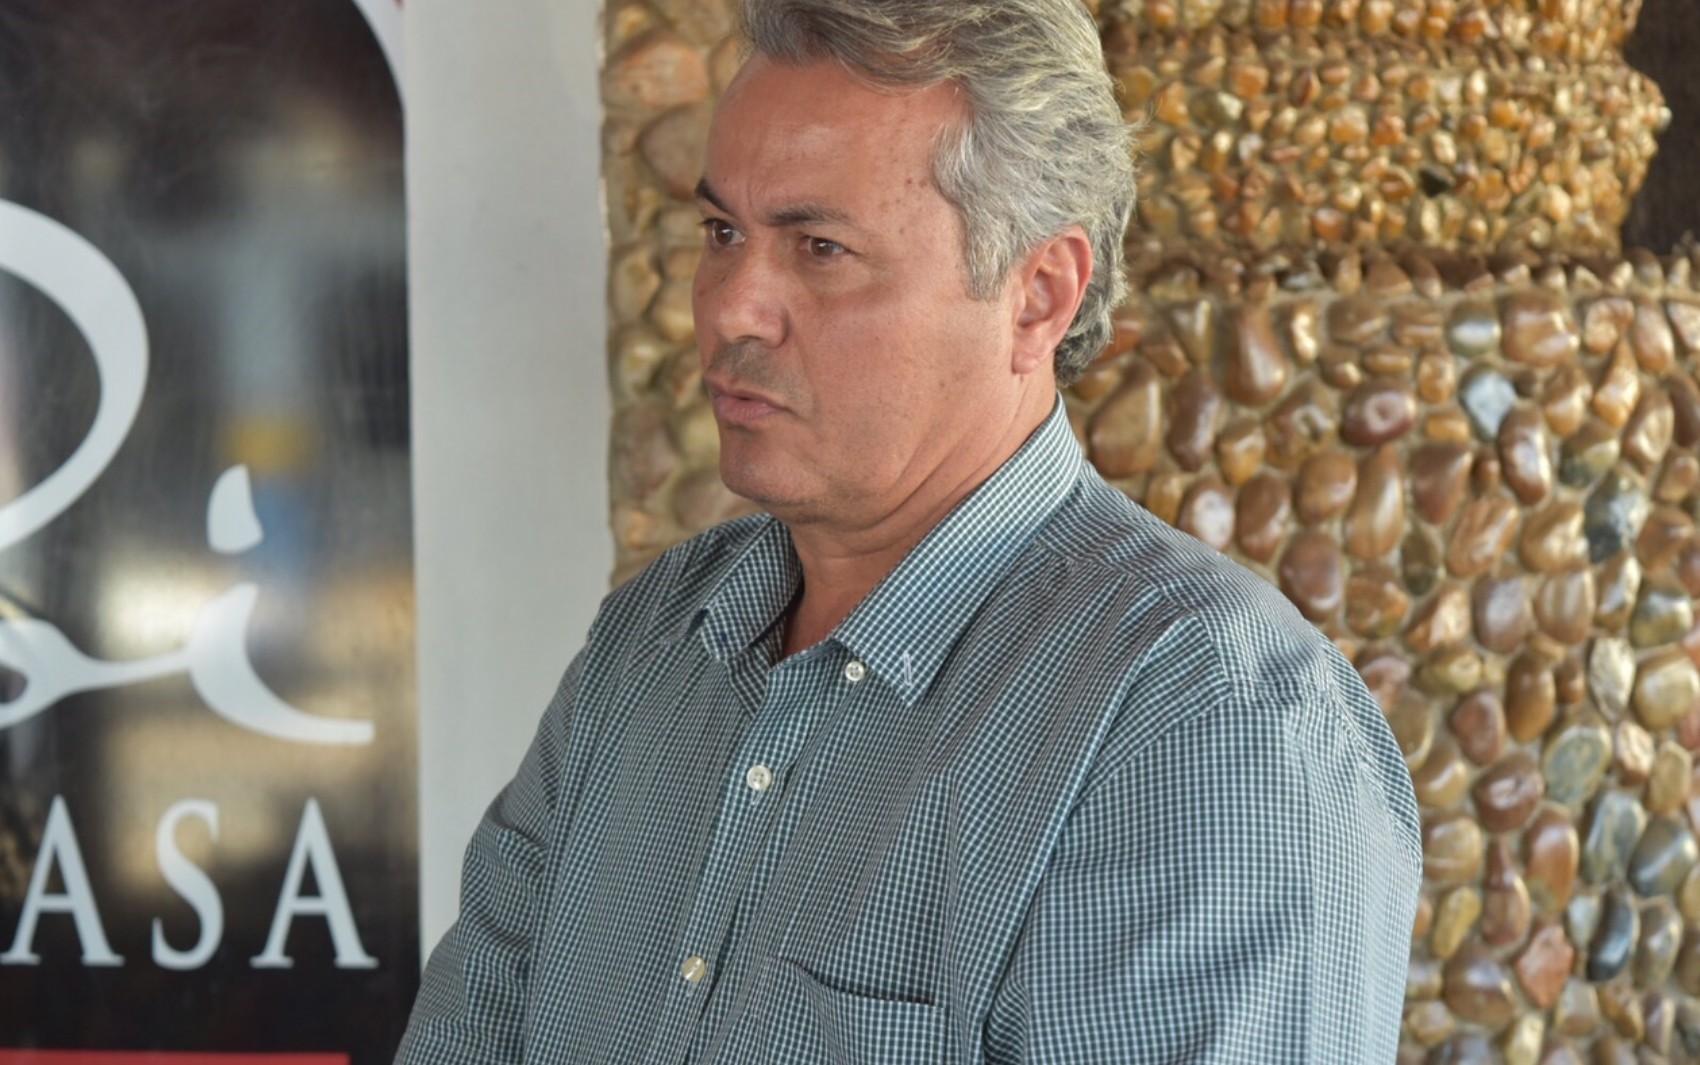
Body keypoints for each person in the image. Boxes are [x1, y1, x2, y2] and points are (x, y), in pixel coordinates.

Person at [397, 0, 1422, 1060]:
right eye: (723, 233)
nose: (731, 308)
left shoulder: (1208, 725)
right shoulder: (655, 640)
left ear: (1038, 296)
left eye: (820, 248)